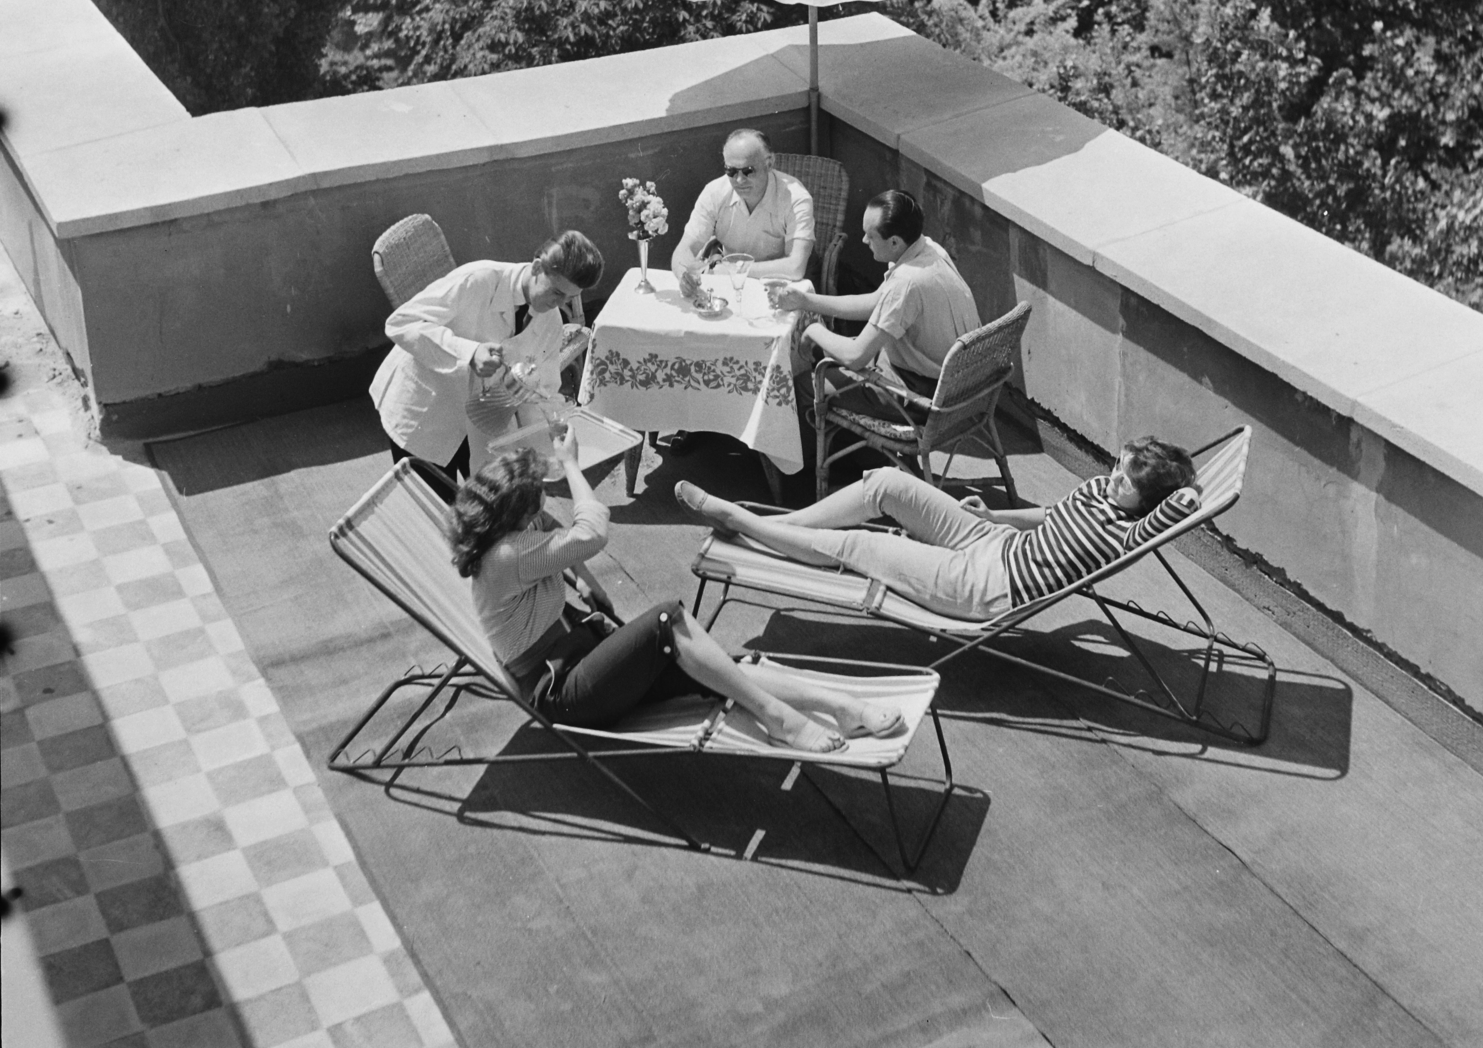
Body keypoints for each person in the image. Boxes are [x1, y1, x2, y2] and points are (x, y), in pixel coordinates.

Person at [450, 430, 904, 751]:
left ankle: (840, 704)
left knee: (717, 666)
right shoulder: (509, 554)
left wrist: (587, 581)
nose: (547, 503)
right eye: (540, 497)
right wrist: (570, 463)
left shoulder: (506, 538)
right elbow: (591, 531)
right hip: (563, 693)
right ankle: (781, 720)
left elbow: (555, 531)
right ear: (518, 512)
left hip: (582, 657)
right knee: (668, 621)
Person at [675, 438, 1200, 622]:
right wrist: (995, 517)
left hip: (983, 586)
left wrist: (1184, 492)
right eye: (1117, 467)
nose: (1113, 480)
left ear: (1146, 501)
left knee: (860, 544)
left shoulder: (1128, 532)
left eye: (1127, 482)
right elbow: (1047, 517)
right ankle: (776, 527)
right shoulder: (1097, 491)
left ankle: (738, 519)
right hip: (994, 540)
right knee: (887, 484)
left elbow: (1180, 507)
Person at [371, 231, 605, 493]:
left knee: (488, 513)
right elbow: (401, 323)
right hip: (427, 412)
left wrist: (552, 432)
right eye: (556, 292)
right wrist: (469, 353)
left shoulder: (551, 322)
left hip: (484, 423)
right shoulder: (479, 279)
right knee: (437, 515)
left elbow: (544, 391)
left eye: (569, 298)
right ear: (538, 267)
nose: (559, 304)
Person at [770, 190, 979, 401]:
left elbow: (855, 357)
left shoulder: (906, 283)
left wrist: (813, 329)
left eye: (871, 236)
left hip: (924, 393)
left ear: (895, 242)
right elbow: (875, 303)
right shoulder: (929, 249)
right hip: (957, 380)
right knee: (820, 353)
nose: (863, 240)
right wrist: (805, 301)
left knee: (803, 386)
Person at [670, 128, 814, 281]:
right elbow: (684, 249)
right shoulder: (714, 192)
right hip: (729, 280)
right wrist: (685, 277)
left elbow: (795, 267)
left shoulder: (795, 198)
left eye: (748, 171)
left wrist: (733, 269)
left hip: (777, 283)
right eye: (731, 171)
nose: (739, 180)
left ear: (769, 163)